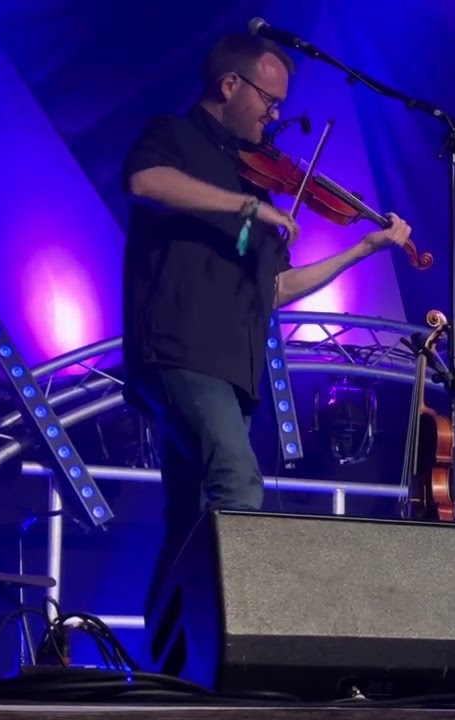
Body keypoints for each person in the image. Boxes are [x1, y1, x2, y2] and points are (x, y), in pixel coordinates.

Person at [120, 33, 413, 616]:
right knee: (237, 486)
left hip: (233, 366)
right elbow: (144, 183)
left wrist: (363, 250)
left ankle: (161, 654)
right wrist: (247, 207)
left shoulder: (255, 179)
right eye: (269, 101)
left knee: (187, 518)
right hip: (181, 350)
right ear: (230, 85)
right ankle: (237, 645)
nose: (275, 115)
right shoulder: (174, 136)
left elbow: (277, 289)